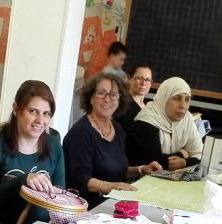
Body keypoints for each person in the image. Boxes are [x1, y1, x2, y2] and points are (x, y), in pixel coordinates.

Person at [0, 80, 65, 224]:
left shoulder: (54, 145)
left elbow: (59, 196)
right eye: (33, 111)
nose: (40, 120)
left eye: (46, 113)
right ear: (16, 109)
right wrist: (23, 181)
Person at [64, 72, 161, 208]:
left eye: (114, 94)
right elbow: (81, 179)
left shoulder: (117, 129)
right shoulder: (81, 133)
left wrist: (142, 169)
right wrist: (113, 187)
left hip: (112, 205)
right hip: (86, 209)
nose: (108, 99)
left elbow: (115, 169)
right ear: (90, 98)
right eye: (102, 93)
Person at [127, 77, 203, 171]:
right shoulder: (146, 121)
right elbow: (156, 164)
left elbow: (201, 154)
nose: (183, 106)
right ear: (164, 98)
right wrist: (183, 153)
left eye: (187, 99)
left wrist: (184, 162)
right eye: (176, 99)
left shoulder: (187, 119)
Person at [115, 63, 152, 134]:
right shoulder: (121, 103)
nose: (143, 83)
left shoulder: (149, 108)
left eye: (147, 79)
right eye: (139, 78)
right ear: (129, 79)